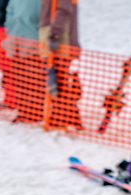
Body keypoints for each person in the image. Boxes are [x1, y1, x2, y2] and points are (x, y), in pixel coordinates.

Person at [38, 0, 82, 130]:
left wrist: (53, 34)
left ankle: (61, 118)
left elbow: (63, 11)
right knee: (54, 81)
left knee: (60, 81)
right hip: (53, 38)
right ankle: (57, 116)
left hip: (60, 42)